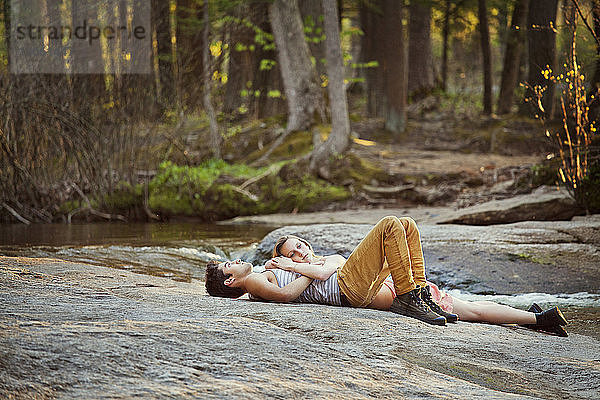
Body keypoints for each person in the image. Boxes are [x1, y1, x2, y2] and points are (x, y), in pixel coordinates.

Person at [205, 216, 568, 335]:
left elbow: (319, 272)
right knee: (390, 224)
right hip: (350, 288)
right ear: (232, 281)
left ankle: (418, 292)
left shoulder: (275, 272)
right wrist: (305, 272)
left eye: (300, 246)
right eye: (228, 267)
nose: (298, 253)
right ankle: (412, 295)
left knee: (406, 224)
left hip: (351, 281)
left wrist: (301, 268)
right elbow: (288, 296)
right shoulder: (257, 280)